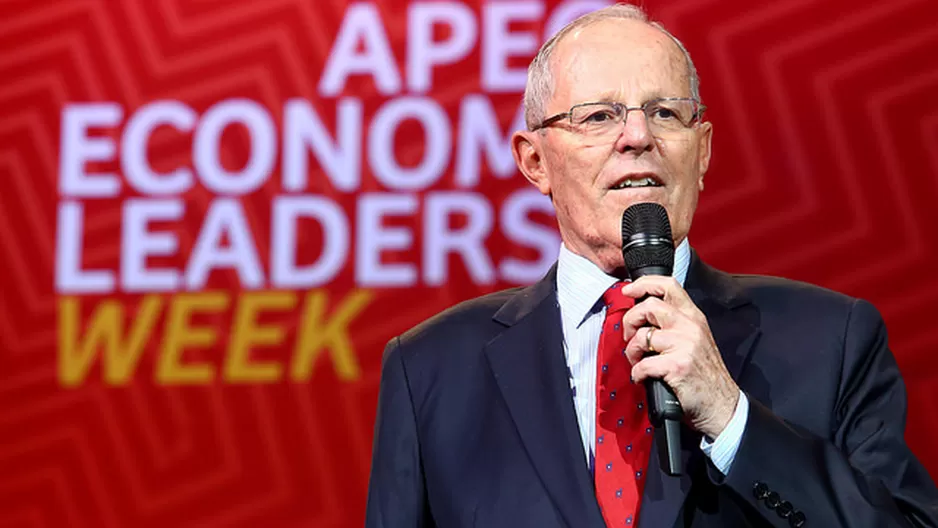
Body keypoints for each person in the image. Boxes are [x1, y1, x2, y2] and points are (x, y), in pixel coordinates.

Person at [364, 4, 938, 527]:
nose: (637, 137)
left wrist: (731, 417)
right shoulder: (430, 370)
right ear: (534, 160)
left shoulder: (832, 341)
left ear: (703, 150)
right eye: (597, 117)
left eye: (665, 112)